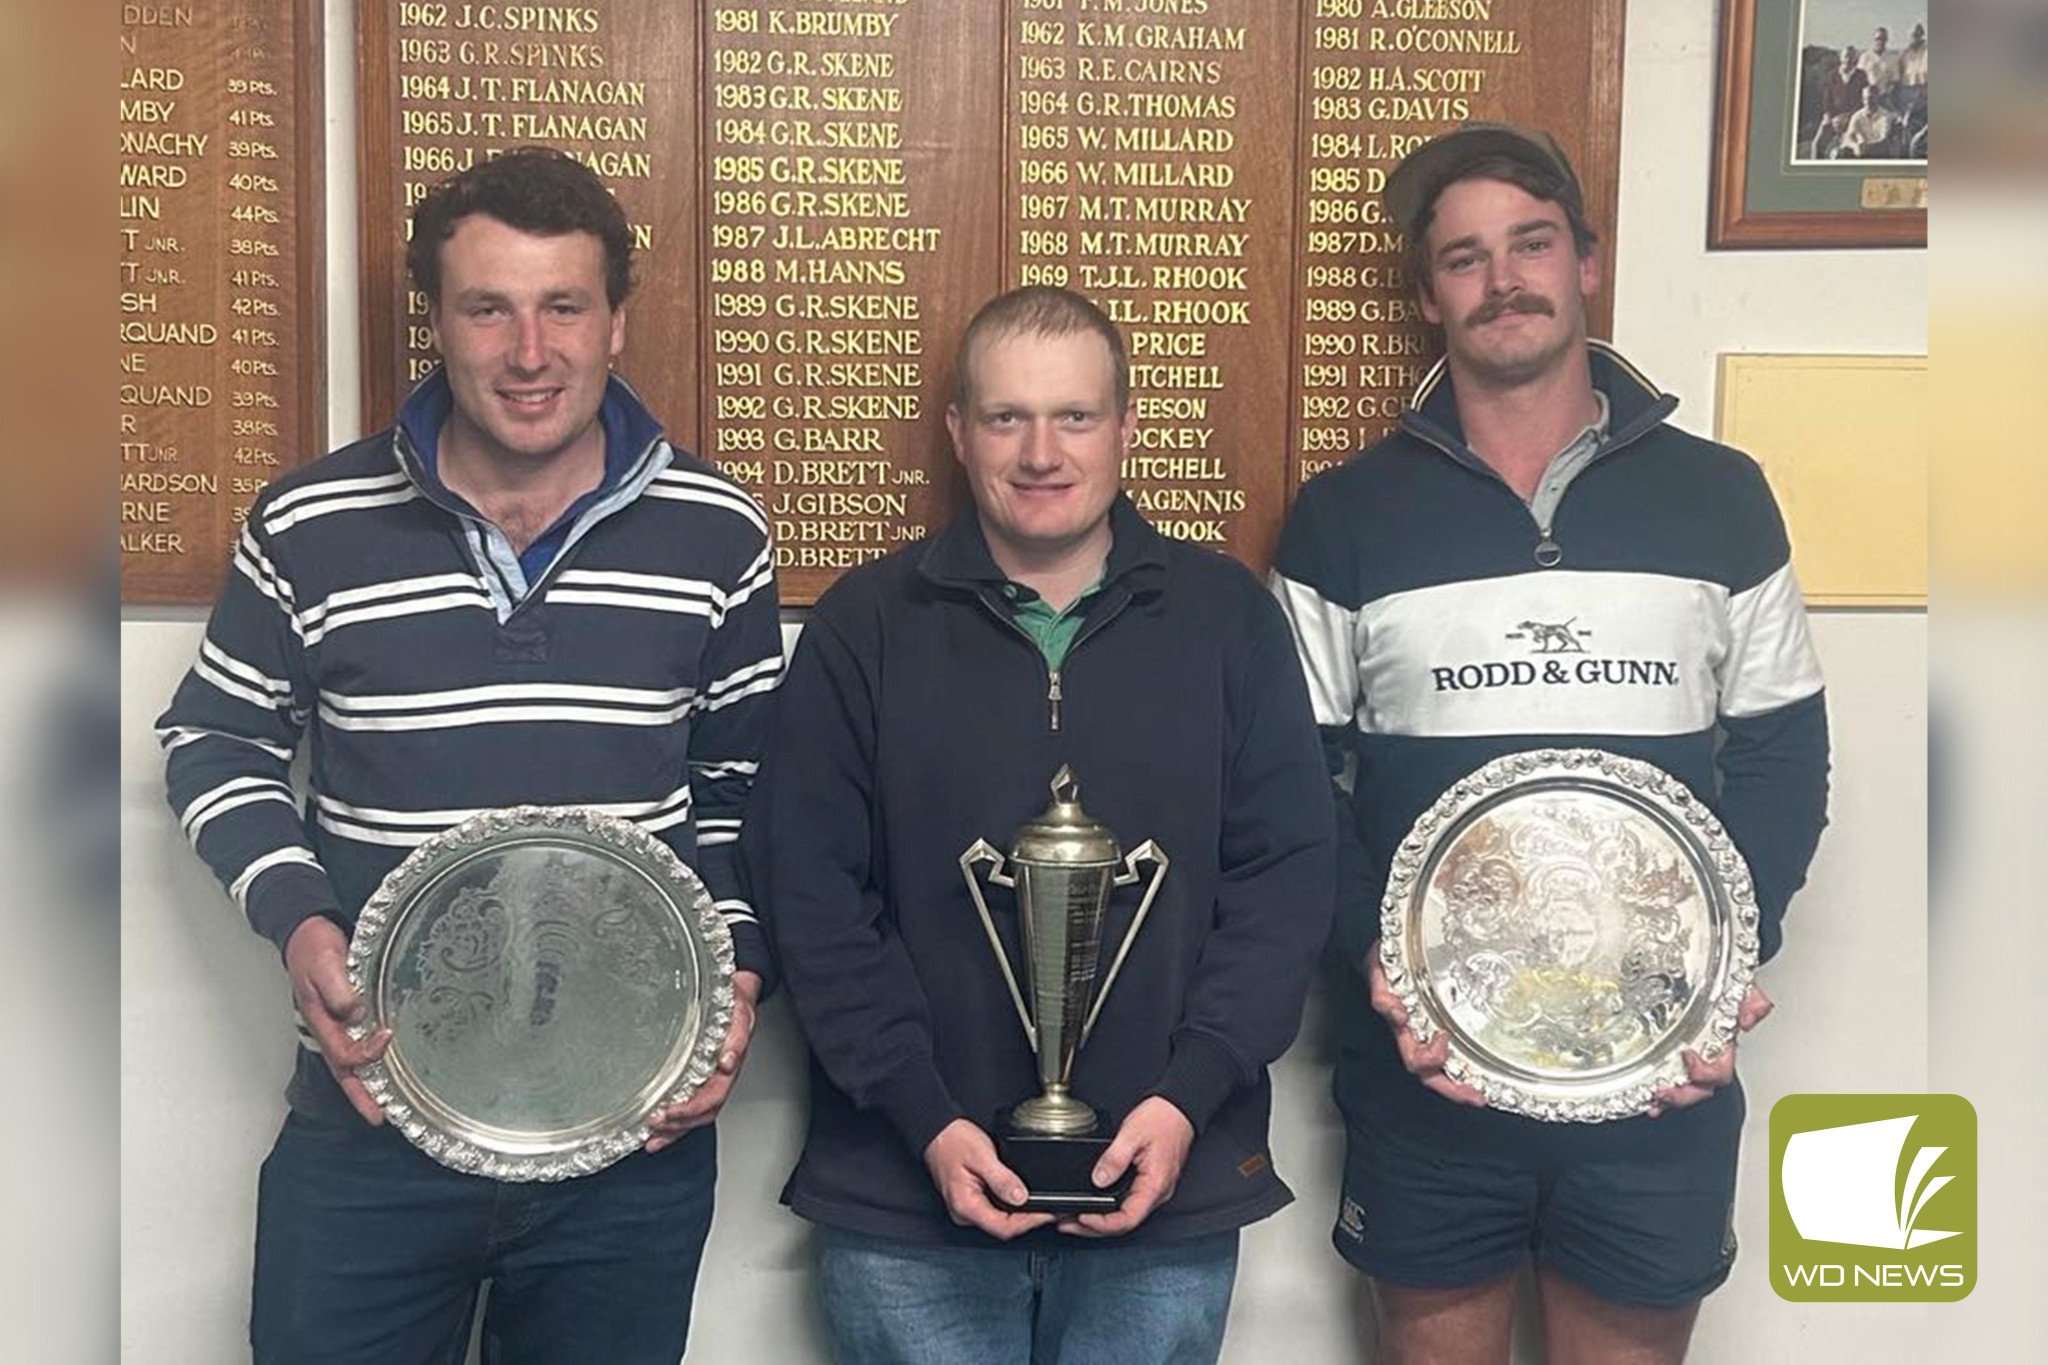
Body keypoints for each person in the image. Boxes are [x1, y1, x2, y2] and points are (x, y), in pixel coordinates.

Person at [157, 146, 782, 1362]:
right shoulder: (310, 524)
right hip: (370, 1119)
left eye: (562, 306)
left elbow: (742, 791)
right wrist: (298, 920)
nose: (529, 351)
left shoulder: (717, 533)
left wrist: (738, 975)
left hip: (629, 1136)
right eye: (488, 308)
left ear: (616, 317)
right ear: (435, 321)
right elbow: (212, 739)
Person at [1270, 125, 1829, 1365]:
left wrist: (1721, 962)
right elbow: (1294, 793)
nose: (1501, 279)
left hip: (1657, 1070)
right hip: (1426, 1070)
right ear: (1428, 296)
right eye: (1463, 259)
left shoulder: (1720, 496)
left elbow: (1786, 758)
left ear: (1583, 261)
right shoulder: (1340, 519)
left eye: (1529, 245)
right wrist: (1378, 963)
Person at [749, 286, 1335, 1364]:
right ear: (957, 433)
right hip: (905, 1195)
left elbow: (1285, 879)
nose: (1040, 452)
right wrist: (921, 1115)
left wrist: (1186, 1097)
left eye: (1072, 416)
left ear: (1123, 428)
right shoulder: (860, 627)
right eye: (1007, 417)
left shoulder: (1225, 619)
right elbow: (810, 892)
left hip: (1164, 1183)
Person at [1811, 45, 1868, 158]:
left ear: (1855, 59)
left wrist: (1849, 116)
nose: (1848, 59)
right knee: (1817, 144)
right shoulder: (1832, 75)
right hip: (1833, 118)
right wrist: (1830, 116)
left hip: (1853, 118)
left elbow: (1862, 101)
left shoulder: (1861, 76)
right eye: (1846, 56)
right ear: (1841, 58)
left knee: (1853, 148)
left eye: (1852, 56)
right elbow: (1827, 99)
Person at [1837, 81, 1898, 159]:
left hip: (1878, 152)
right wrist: (1855, 146)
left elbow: (1883, 140)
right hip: (1860, 151)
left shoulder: (1885, 116)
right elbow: (1849, 136)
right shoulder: (1857, 116)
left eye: (1870, 98)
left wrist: (1866, 148)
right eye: (1864, 99)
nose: (1867, 102)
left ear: (1877, 98)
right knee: (1843, 152)